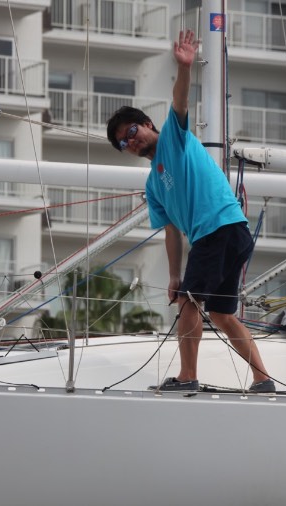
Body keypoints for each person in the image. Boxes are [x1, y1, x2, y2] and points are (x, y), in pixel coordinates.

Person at [106, 30, 275, 393]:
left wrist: (184, 66)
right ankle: (263, 380)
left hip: (220, 229)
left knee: (189, 302)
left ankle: (187, 376)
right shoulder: (153, 185)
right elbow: (170, 231)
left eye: (132, 131)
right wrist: (173, 275)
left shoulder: (174, 138)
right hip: (226, 235)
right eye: (123, 142)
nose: (131, 140)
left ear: (147, 124)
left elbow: (180, 101)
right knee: (221, 313)